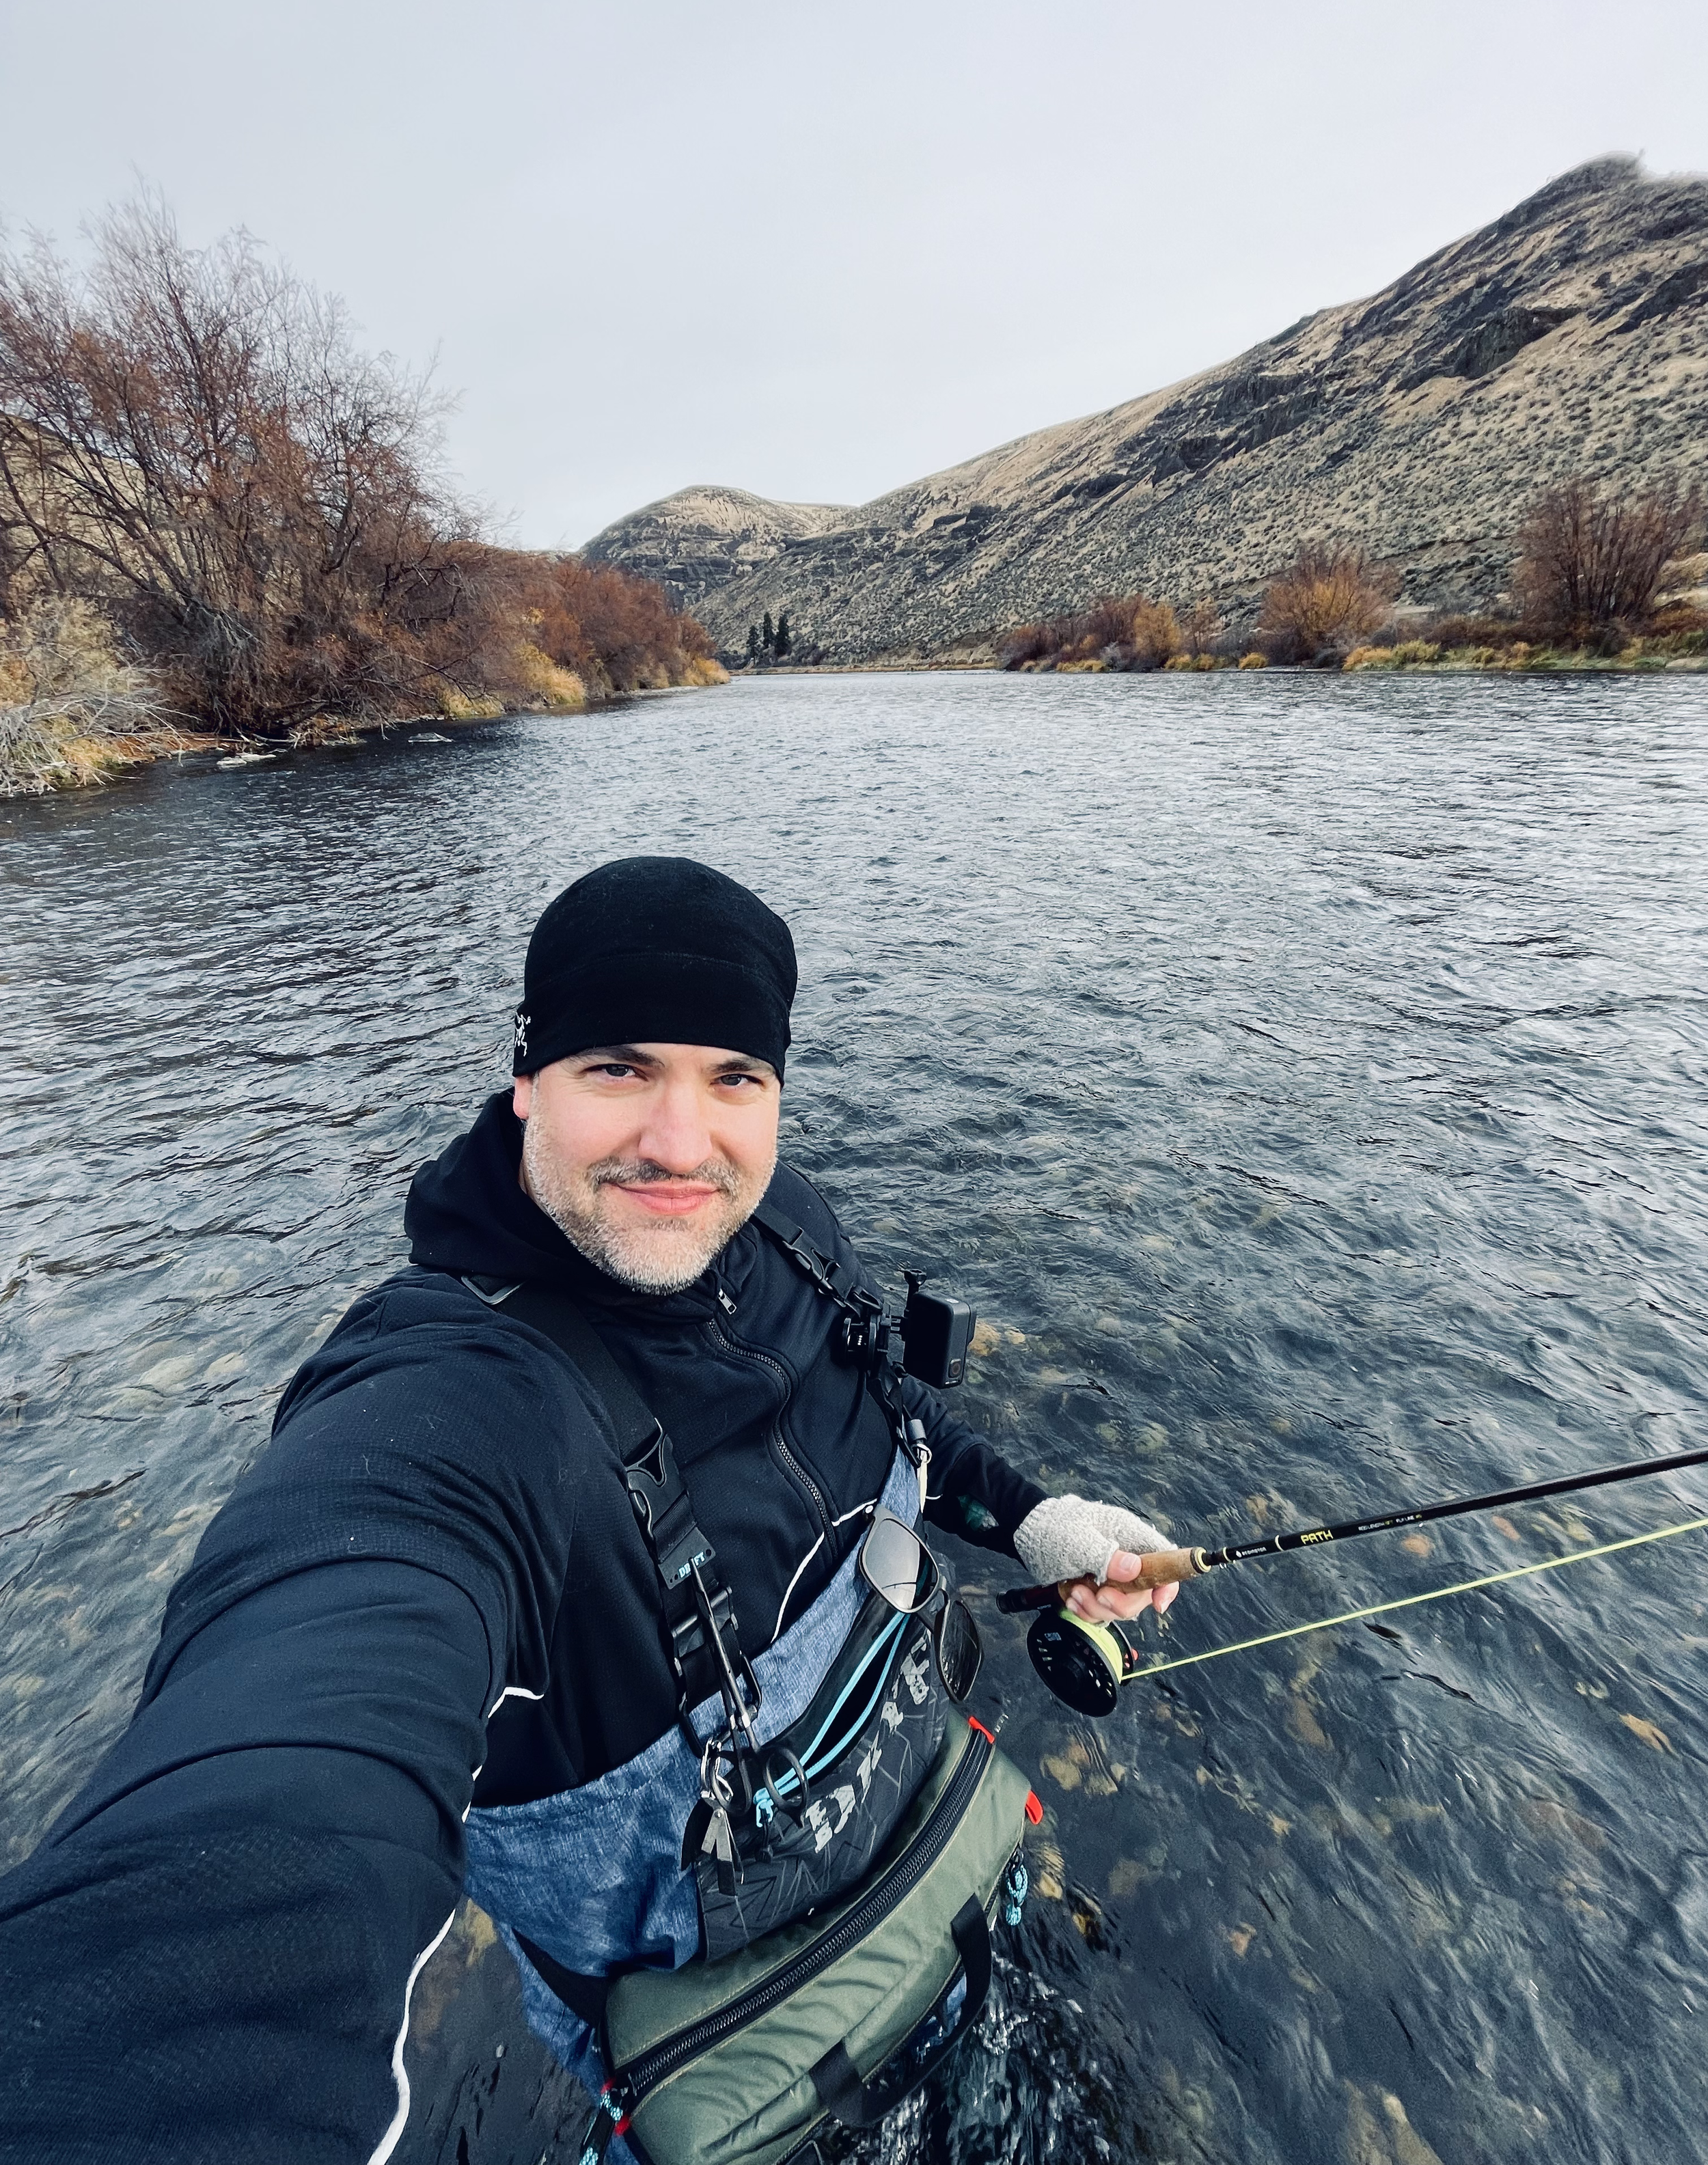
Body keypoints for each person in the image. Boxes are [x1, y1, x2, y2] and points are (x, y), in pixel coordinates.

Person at [0, 857, 1179, 2164]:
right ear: (527, 1078)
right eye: (618, 1066)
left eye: (736, 1076)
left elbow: (891, 1413)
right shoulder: (447, 1405)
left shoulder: (781, 1222)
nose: (682, 1145)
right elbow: (280, 1753)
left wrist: (1030, 1518)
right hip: (726, 2073)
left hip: (944, 1867)